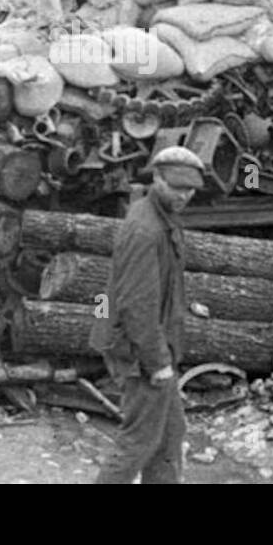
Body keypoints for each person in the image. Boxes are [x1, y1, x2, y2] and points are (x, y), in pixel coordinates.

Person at [90, 146, 206, 484]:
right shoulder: (146, 229)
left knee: (170, 433)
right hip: (138, 350)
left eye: (190, 189)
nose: (184, 195)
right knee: (138, 440)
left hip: (152, 344)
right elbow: (136, 306)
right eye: (176, 186)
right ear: (156, 178)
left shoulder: (161, 217)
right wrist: (157, 362)